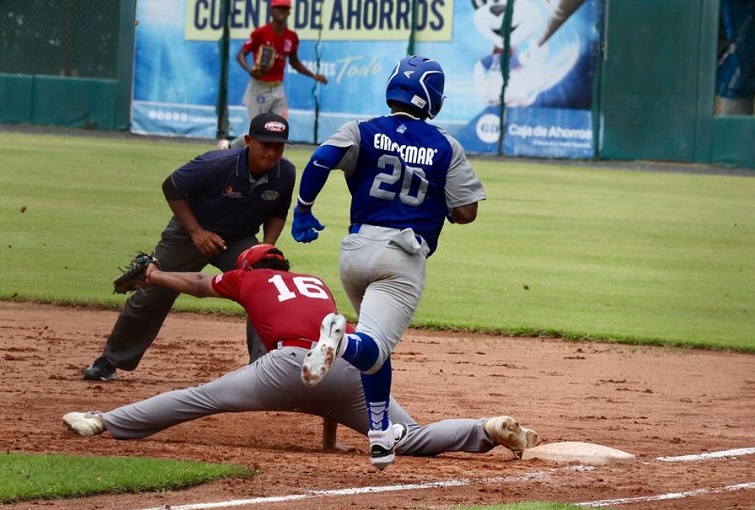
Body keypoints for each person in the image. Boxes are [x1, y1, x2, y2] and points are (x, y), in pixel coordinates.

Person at [63, 245, 541, 462]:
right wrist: (330, 439)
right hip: (349, 369)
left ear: (249, 266)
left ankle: (102, 420)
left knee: (201, 398)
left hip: (286, 366)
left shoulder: (247, 276)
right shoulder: (317, 288)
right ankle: (484, 429)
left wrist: (157, 277)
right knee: (406, 436)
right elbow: (325, 369)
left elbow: (198, 284)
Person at [290, 55, 487, 470]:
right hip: (401, 258)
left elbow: (321, 159)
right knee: (370, 345)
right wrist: (446, 205)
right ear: (433, 98)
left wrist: (304, 209)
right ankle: (338, 340)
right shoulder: (444, 145)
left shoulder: (360, 129)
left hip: (355, 251)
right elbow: (467, 212)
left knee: (375, 349)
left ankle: (380, 437)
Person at [83, 113, 296, 382]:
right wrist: (196, 231)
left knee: (265, 285)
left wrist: (265, 248)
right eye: (265, 144)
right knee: (155, 288)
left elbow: (279, 210)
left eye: (278, 146)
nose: (272, 152)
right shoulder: (216, 164)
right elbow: (171, 186)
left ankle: (264, 369)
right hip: (189, 233)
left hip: (239, 239)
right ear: (248, 140)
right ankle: (109, 362)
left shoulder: (285, 172)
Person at [219, 0, 328, 150]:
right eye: (278, 8)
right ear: (271, 11)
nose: (282, 12)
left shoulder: (291, 37)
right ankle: (230, 148)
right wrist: (250, 70)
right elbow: (241, 55)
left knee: (279, 129)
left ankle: (272, 165)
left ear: (289, 12)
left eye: (285, 9)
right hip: (259, 87)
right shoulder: (261, 33)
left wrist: (314, 76)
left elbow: (295, 62)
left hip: (277, 88)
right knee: (257, 132)